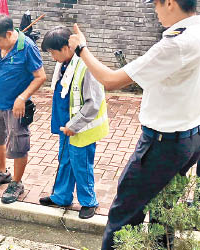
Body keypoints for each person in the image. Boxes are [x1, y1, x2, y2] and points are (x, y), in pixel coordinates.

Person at [68, 0, 200, 248]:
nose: (155, 11)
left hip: (162, 144)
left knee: (125, 216)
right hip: (189, 139)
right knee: (164, 213)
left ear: (170, 3)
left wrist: (81, 49)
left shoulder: (175, 44)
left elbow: (110, 80)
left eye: (156, 4)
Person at [0, 15, 47, 204]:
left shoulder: (27, 48)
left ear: (9, 34)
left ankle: (17, 183)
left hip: (17, 108)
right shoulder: (0, 46)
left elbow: (40, 76)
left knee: (18, 144)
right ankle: (2, 172)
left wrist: (22, 98)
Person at [38, 27, 109, 219]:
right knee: (65, 161)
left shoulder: (87, 67)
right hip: (67, 126)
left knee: (81, 165)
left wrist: (73, 125)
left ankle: (89, 202)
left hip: (82, 129)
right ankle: (61, 197)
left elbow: (93, 104)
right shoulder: (66, 63)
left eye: (53, 52)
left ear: (66, 48)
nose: (52, 57)